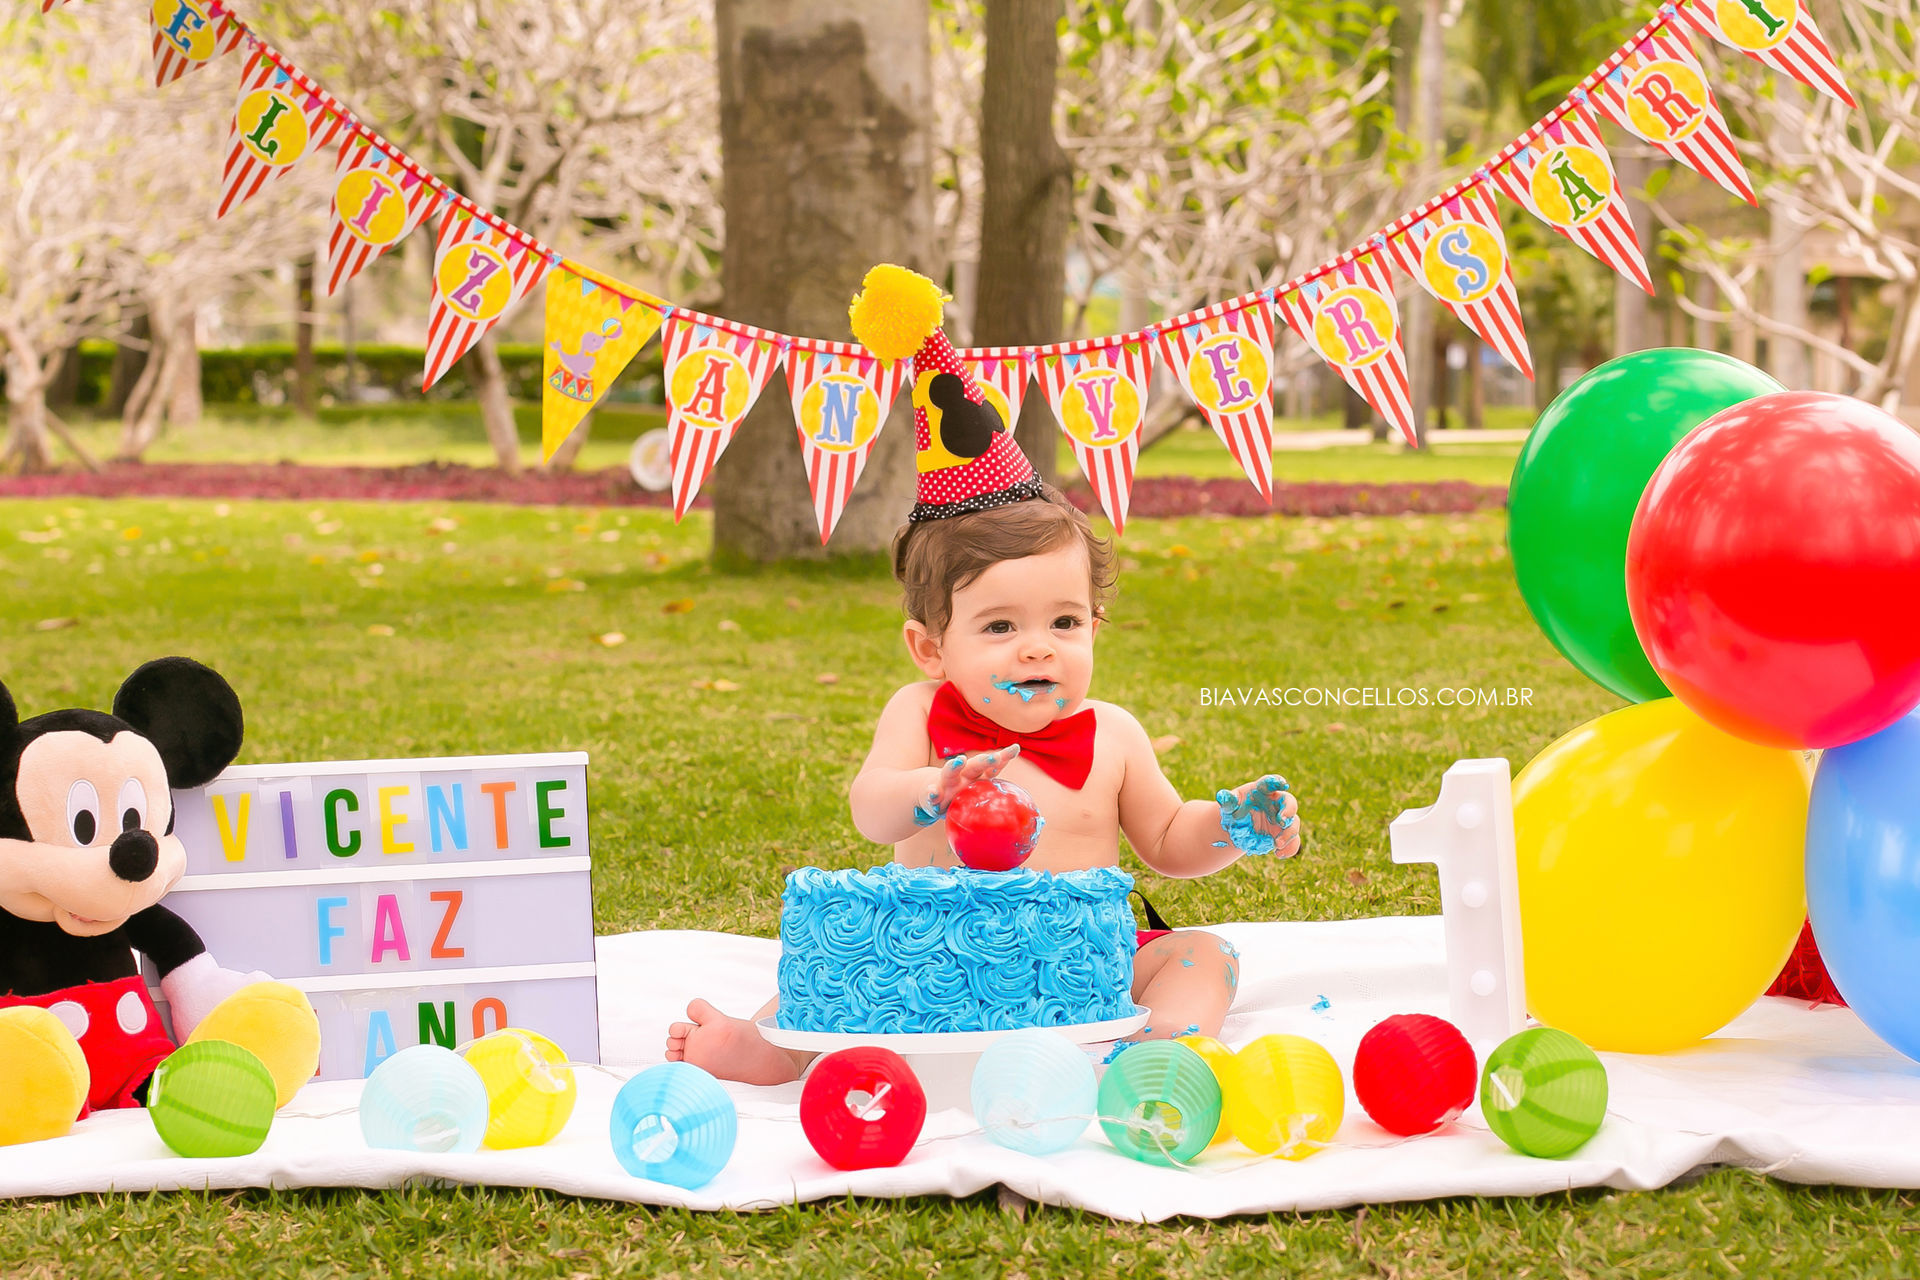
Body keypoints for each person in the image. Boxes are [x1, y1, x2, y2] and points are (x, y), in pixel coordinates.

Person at [666, 265, 1299, 1085]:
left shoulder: (1112, 734)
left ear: (1095, 627)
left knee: (1203, 953)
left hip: (1082, 974)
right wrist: (935, 785)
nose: (1038, 649)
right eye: (1000, 627)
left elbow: (1170, 843)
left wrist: (1233, 826)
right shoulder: (921, 711)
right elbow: (871, 811)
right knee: (833, 979)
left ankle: (1159, 1046)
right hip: (927, 966)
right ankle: (761, 1049)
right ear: (932, 648)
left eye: (1064, 623)